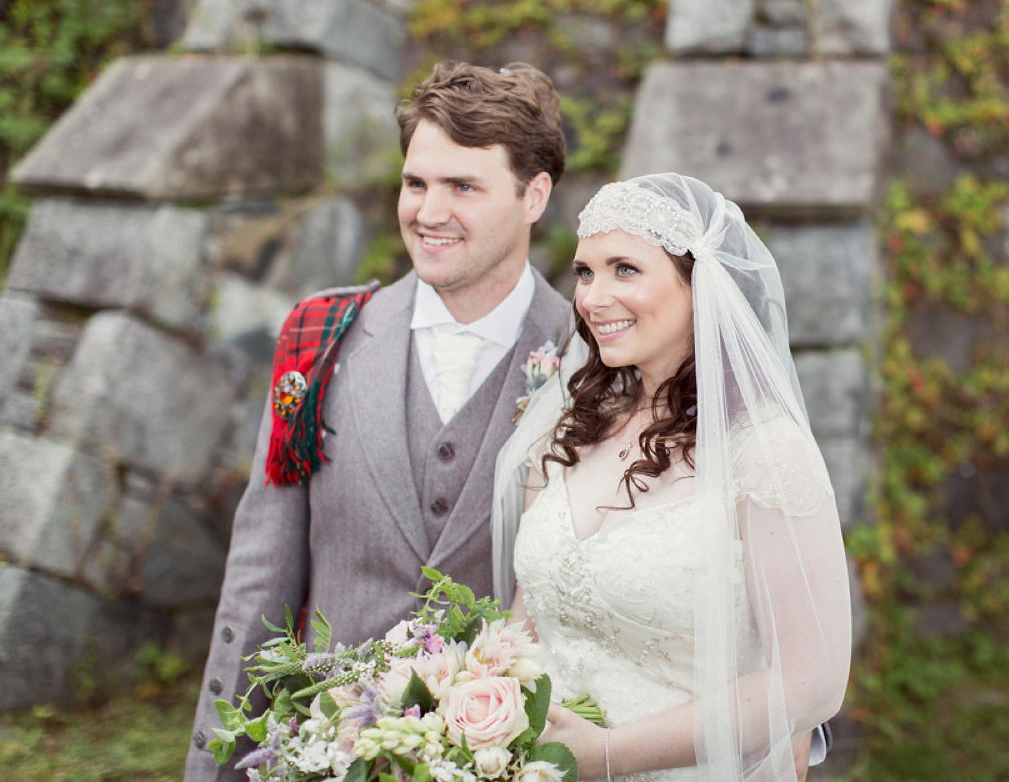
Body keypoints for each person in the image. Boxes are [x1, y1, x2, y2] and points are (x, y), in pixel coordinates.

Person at [184, 61, 574, 782]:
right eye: (416, 182)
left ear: (534, 195)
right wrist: (215, 769)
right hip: (317, 758)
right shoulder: (321, 336)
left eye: (464, 187)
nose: (429, 212)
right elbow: (259, 579)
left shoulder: (594, 358)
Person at [492, 174, 853, 781]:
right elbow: (531, 616)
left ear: (699, 284)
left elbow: (812, 681)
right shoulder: (570, 429)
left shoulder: (765, 456)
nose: (593, 297)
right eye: (585, 272)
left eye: (624, 269)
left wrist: (607, 757)